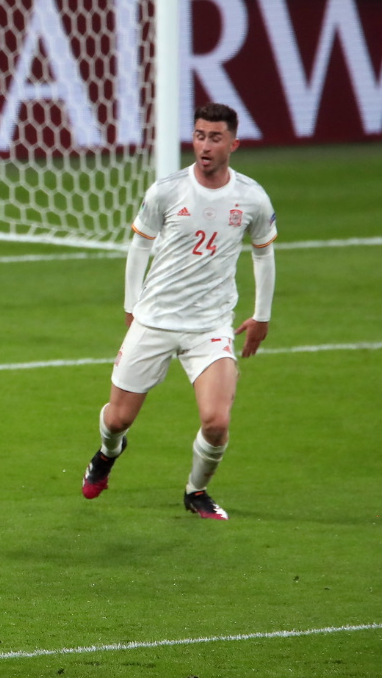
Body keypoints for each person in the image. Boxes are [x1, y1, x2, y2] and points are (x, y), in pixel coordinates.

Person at [80, 103, 277, 520]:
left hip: (210, 326)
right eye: (200, 135)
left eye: (215, 137)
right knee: (117, 420)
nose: (205, 146)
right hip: (155, 319)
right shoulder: (167, 191)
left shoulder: (252, 198)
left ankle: (196, 491)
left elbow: (263, 254)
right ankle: (106, 454)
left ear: (233, 144)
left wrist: (261, 315)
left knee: (216, 422)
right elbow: (140, 245)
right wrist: (132, 308)